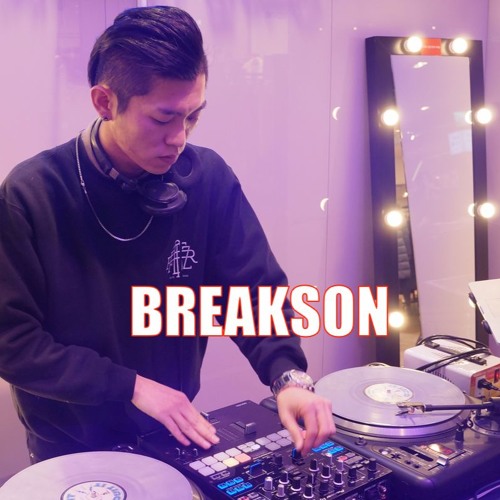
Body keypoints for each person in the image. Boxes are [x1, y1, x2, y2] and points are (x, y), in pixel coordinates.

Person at [0, 5, 334, 464]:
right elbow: (13, 342)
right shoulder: (31, 193)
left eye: (193, 116)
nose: (179, 138)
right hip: (69, 447)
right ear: (104, 102)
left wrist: (288, 377)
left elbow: (253, 294)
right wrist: (131, 386)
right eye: (163, 119)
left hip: (172, 430)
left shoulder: (208, 178)